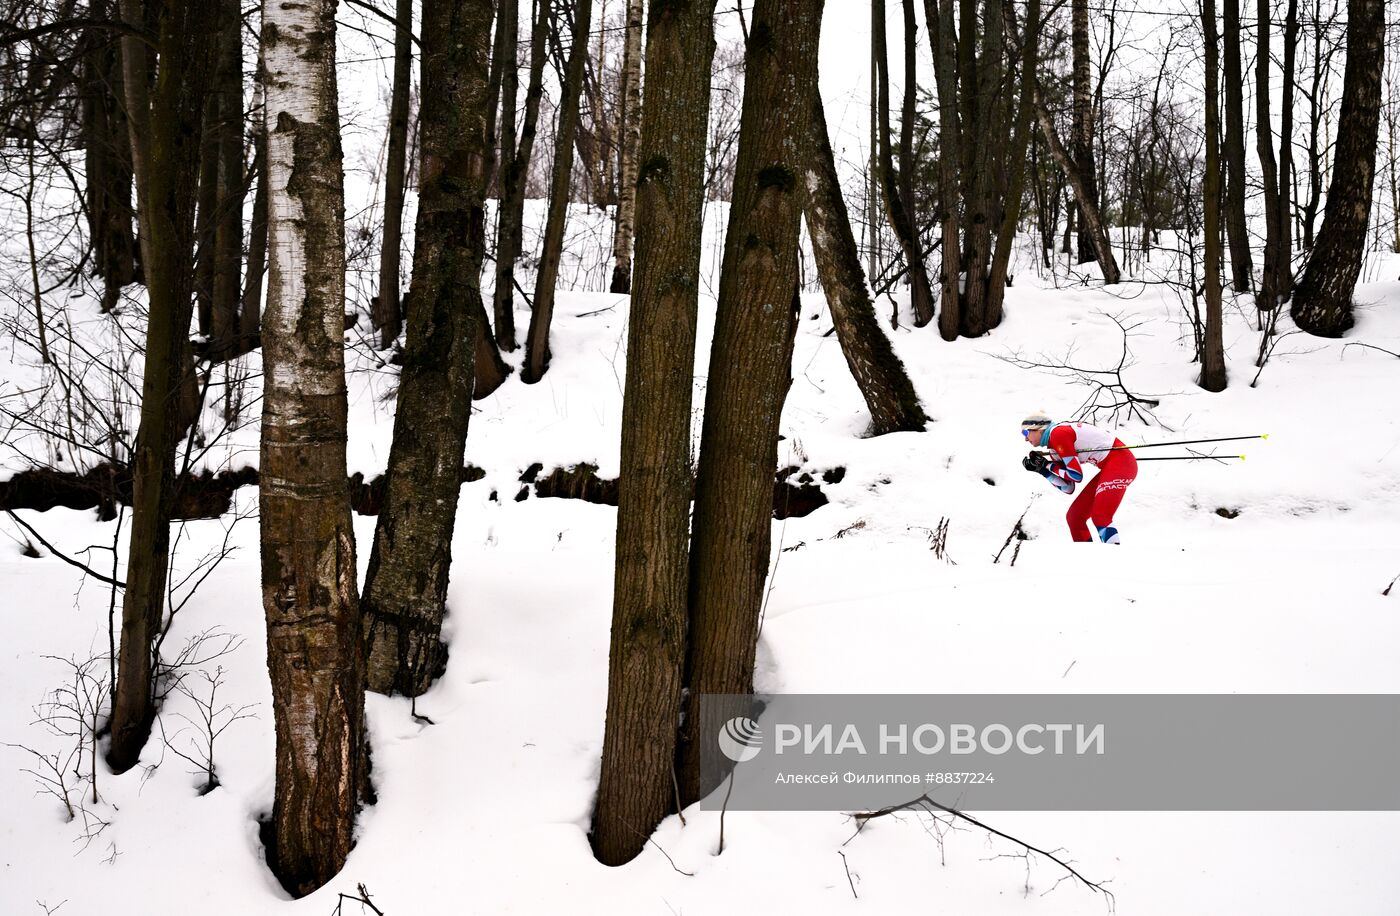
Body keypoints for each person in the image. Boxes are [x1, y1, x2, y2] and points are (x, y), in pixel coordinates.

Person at [1020, 413, 1137, 544]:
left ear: (1039, 428)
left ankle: (1114, 560)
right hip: (1110, 466)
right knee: (1075, 518)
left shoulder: (1058, 434)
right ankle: (1087, 560)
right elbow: (1068, 487)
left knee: (1101, 516)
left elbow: (1076, 475)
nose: (1025, 438)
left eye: (1025, 432)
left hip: (1121, 462)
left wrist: (1047, 465)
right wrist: (1042, 471)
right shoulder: (1054, 450)